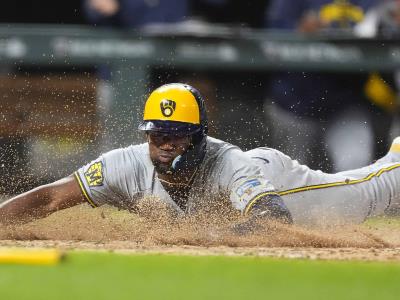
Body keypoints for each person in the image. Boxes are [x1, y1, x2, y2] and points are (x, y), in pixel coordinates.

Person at [1, 83, 400, 229]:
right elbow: (51, 196)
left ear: (197, 137)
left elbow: (272, 220)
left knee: (374, 190)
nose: (166, 144)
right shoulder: (126, 163)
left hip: (273, 184)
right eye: (158, 134)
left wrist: (203, 235)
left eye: (177, 135)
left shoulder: (225, 162)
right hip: (242, 184)